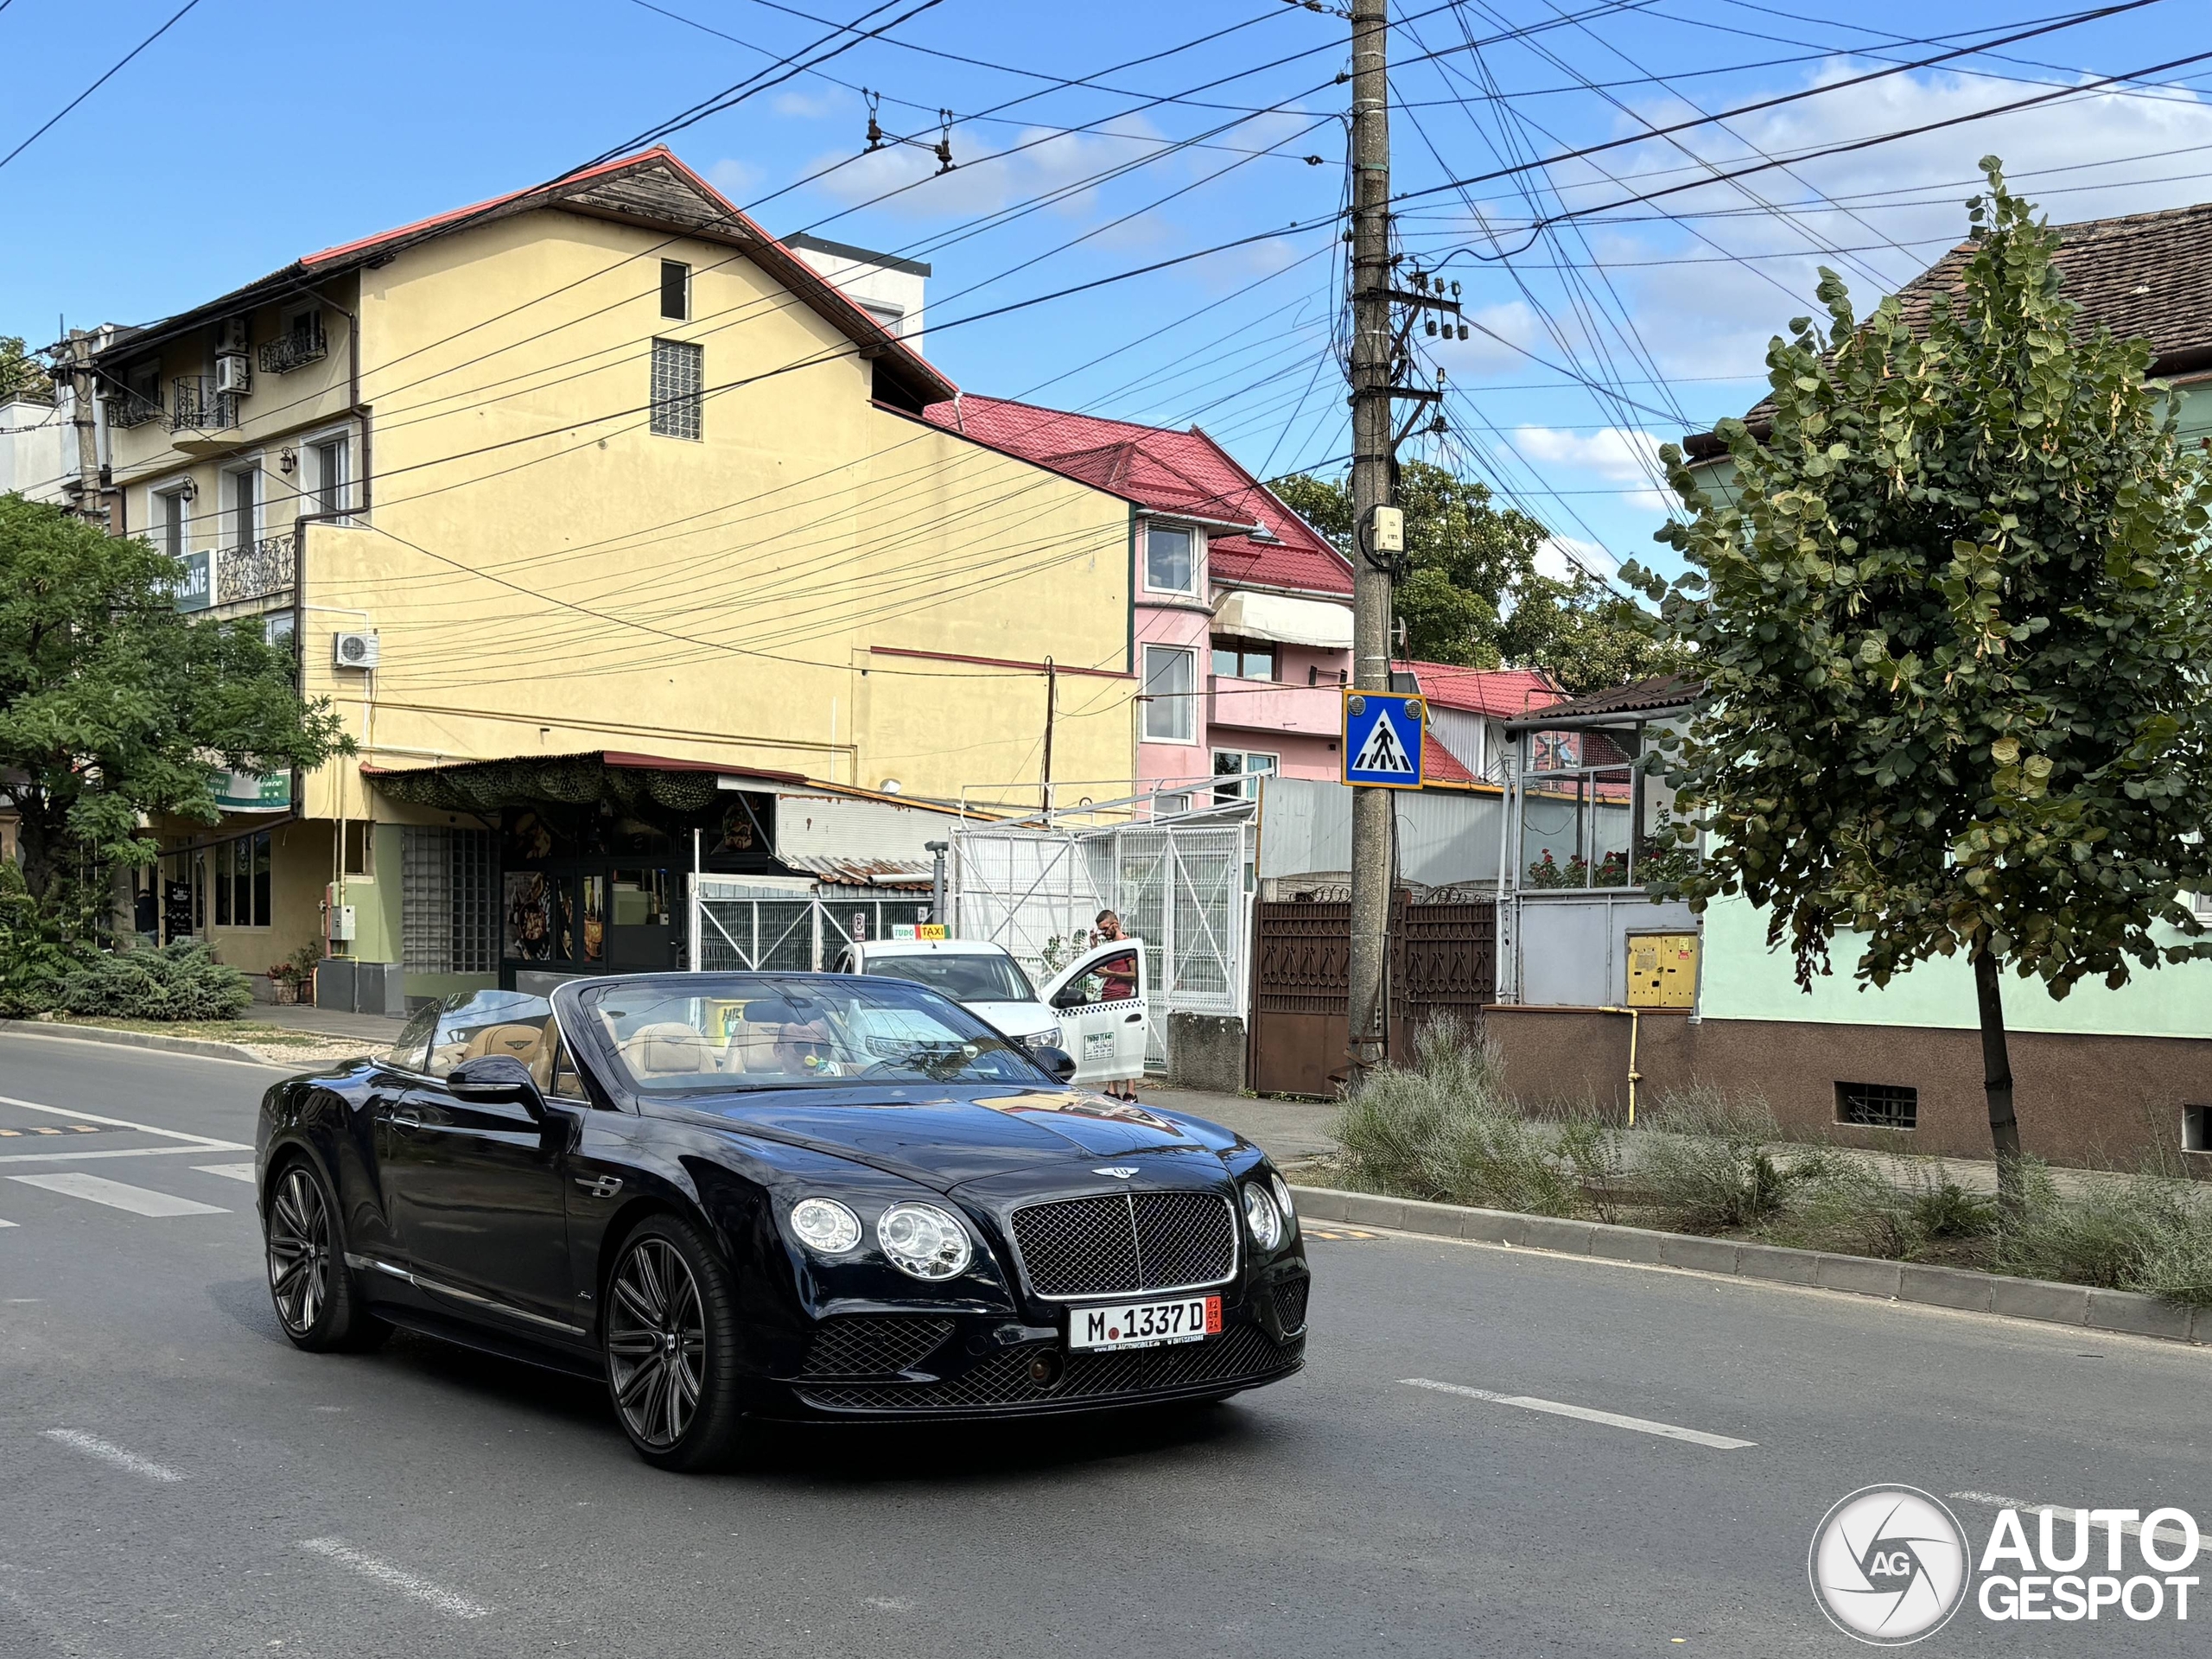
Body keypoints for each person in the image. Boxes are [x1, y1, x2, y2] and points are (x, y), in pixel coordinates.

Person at [1092, 910, 1141, 1103]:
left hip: (1122, 999)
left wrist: (1110, 973)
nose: (1104, 933)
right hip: (1107, 999)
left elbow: (1135, 974)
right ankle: (1111, 1090)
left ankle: (1131, 1091)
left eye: (1105, 929)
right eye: (1101, 931)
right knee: (1109, 1046)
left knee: (1126, 1046)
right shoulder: (1109, 948)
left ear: (1115, 924)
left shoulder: (1127, 946)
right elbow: (1098, 971)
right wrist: (1094, 946)